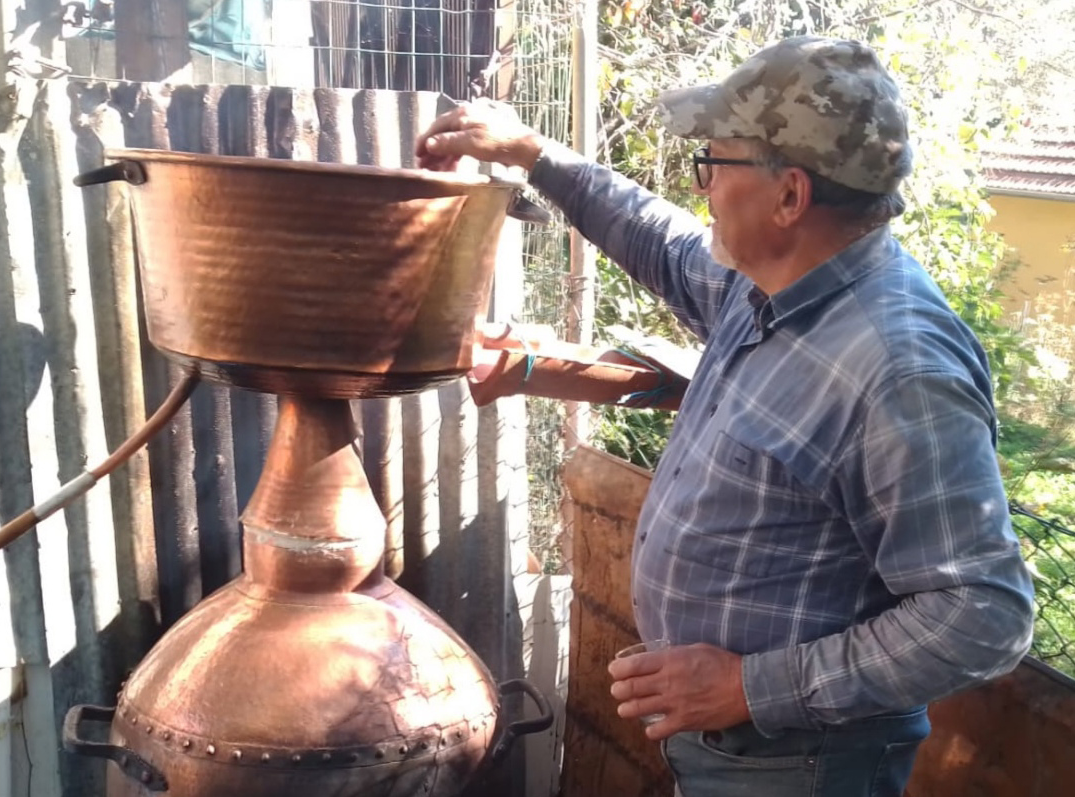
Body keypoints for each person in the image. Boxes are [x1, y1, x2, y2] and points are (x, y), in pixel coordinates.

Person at [417, 35, 1035, 796]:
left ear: (790, 196)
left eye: (714, 162)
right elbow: (657, 236)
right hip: (728, 754)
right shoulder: (769, 286)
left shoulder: (897, 369)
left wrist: (751, 686)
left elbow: (982, 612)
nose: (702, 186)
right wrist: (534, 153)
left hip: (802, 767)